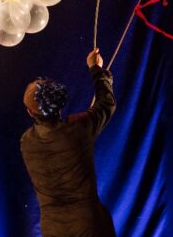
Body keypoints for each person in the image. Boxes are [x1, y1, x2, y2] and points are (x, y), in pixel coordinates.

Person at [20, 48, 117, 237]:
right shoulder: (78, 130)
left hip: (53, 229)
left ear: (30, 112)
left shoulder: (26, 142)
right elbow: (107, 104)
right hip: (89, 225)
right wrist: (96, 69)